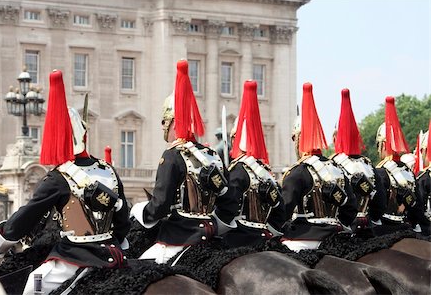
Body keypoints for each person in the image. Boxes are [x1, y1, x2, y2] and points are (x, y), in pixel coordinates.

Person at [0, 70, 131, 294]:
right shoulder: (108, 170)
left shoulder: (59, 178)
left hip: (74, 256)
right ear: (83, 134)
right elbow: (123, 221)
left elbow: (26, 217)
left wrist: (2, 240)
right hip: (113, 253)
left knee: (33, 285)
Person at [130, 60, 237, 264]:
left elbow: (160, 206)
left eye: (165, 122)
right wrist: (211, 225)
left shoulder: (172, 155)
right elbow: (230, 205)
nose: (163, 127)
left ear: (172, 122)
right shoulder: (212, 156)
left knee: (136, 271)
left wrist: (139, 210)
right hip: (212, 237)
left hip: (179, 238)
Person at [281, 83, 358, 251]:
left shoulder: (297, 172)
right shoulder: (337, 169)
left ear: (299, 138)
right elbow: (351, 210)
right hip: (336, 238)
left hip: (304, 238)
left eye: (294, 138)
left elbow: (283, 211)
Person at [221, 80, 284, 247]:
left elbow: (227, 209)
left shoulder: (237, 170)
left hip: (238, 239)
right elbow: (280, 211)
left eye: (232, 137)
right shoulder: (266, 173)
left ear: (236, 139)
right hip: (265, 238)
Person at [330, 88, 386, 230]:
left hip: (342, 227)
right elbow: (380, 203)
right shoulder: (367, 164)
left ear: (336, 137)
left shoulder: (333, 163)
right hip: (367, 226)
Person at [375, 97, 430, 235]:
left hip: (383, 229)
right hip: (406, 227)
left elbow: (377, 206)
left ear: (382, 145)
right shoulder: (408, 172)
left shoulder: (380, 171)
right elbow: (417, 209)